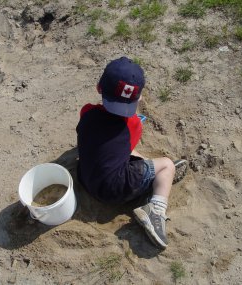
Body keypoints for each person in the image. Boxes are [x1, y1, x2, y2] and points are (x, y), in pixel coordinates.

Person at [76, 56, 187, 248]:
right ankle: (156, 210)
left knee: (118, 152)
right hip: (114, 189)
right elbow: (128, 151)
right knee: (167, 165)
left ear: (99, 88)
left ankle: (152, 175)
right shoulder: (133, 124)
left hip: (86, 178)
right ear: (139, 98)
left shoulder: (87, 112)